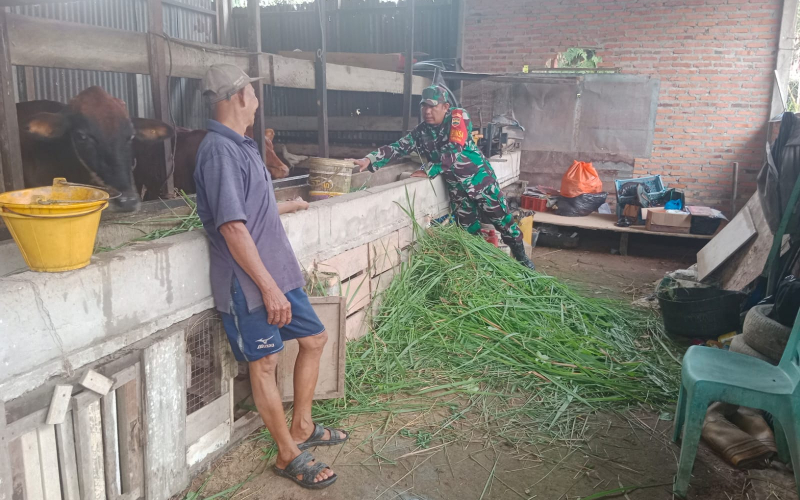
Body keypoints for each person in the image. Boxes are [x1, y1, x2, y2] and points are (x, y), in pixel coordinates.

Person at [194, 64, 347, 490]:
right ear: (240, 96)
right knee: (264, 363)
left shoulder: (242, 146)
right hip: (249, 282)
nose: (257, 101)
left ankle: (302, 426)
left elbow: (248, 209)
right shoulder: (218, 152)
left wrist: (290, 206)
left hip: (278, 272)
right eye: (254, 93)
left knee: (315, 339)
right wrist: (267, 288)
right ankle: (286, 454)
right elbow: (232, 227)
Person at [351, 85, 535, 270]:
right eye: (424, 106)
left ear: (445, 106)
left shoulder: (458, 117)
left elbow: (454, 149)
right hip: (458, 190)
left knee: (504, 223)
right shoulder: (422, 131)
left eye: (432, 106)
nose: (427, 111)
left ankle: (524, 263)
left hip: (481, 182)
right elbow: (400, 146)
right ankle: (480, 269)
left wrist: (430, 169)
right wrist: (370, 159)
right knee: (468, 233)